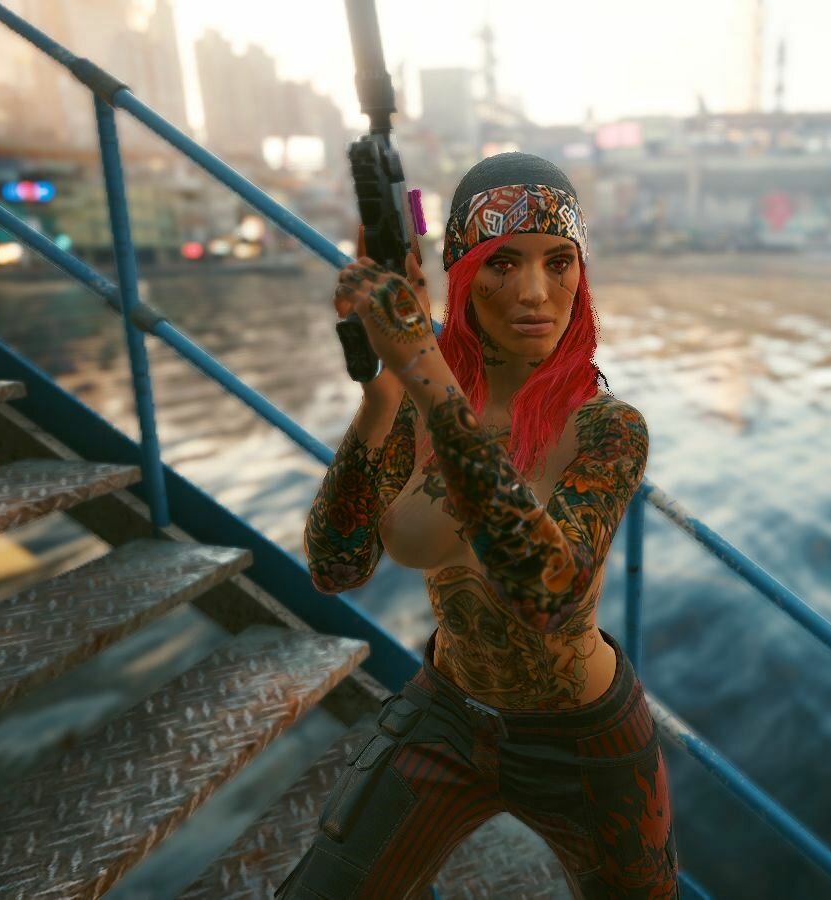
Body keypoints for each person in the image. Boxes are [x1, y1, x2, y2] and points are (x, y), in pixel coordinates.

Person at [277, 152, 679, 900]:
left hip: (586, 741)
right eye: (501, 263)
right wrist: (382, 393)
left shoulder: (608, 429)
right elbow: (336, 566)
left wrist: (427, 379)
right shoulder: (415, 405)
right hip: (450, 714)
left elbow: (548, 592)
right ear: (461, 277)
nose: (535, 293)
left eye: (559, 262)